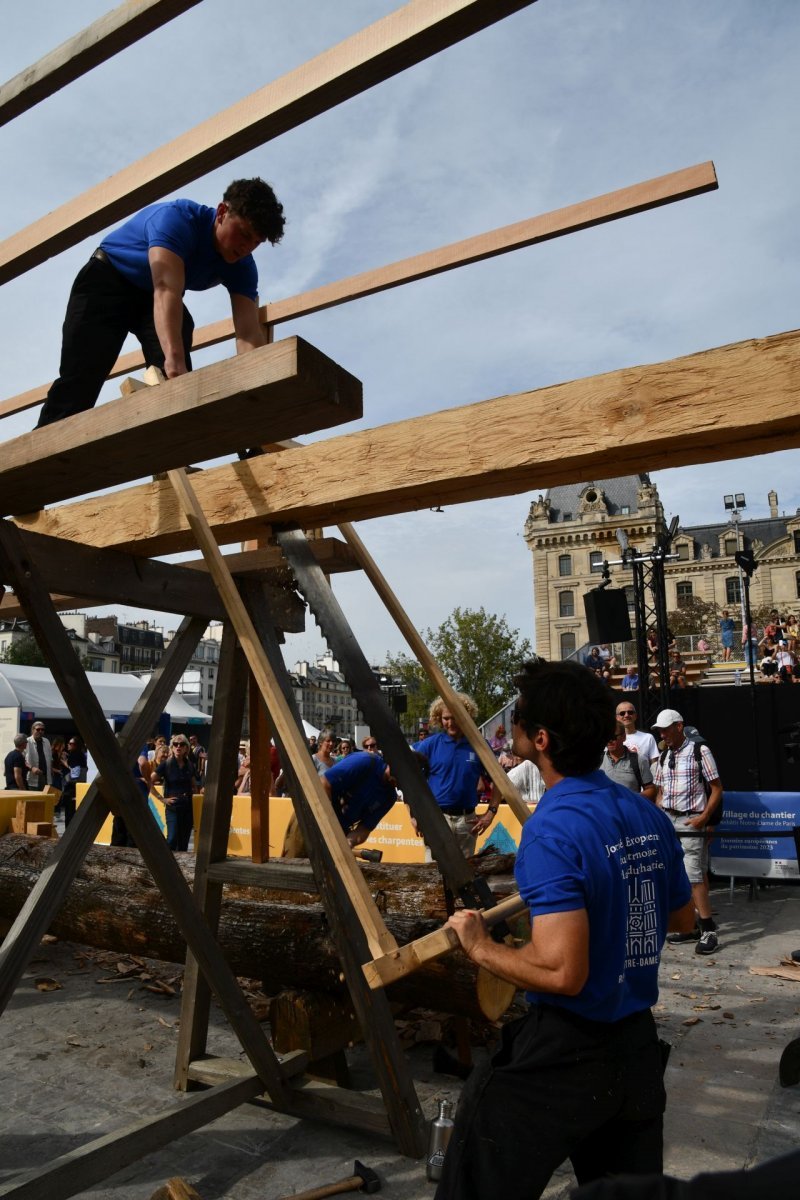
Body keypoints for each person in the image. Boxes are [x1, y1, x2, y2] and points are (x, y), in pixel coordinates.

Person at [435, 660, 694, 1200]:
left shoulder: (553, 827)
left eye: (520, 721)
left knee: (475, 1176)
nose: (513, 731)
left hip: (569, 1048)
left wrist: (480, 947)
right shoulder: (645, 815)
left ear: (542, 739)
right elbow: (681, 919)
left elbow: (562, 971)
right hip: (636, 1051)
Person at [37, 178, 285, 431]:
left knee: (178, 347)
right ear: (222, 212)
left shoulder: (243, 266)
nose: (246, 247)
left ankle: (174, 449)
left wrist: (260, 392)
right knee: (81, 379)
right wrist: (175, 363)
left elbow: (248, 334)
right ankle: (38, 459)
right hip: (107, 281)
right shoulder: (177, 220)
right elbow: (166, 289)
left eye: (256, 242)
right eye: (243, 234)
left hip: (148, 296)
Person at [652, 709, 723, 956]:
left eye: (666, 729)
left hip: (690, 820)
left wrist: (703, 818)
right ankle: (693, 925)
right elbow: (660, 791)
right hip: (670, 821)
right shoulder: (663, 756)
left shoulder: (699, 751)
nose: (662, 734)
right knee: (684, 874)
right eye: (660, 730)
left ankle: (708, 929)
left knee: (693, 874)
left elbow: (716, 788)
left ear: (679, 726)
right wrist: (661, 815)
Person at [411, 695, 497, 856]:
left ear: (466, 716)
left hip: (467, 821)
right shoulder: (429, 745)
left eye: (456, 717)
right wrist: (414, 815)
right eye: (446, 718)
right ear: (439, 718)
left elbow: (500, 782)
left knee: (466, 875)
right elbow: (410, 780)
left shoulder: (479, 746)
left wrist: (490, 813)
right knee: (434, 875)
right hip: (436, 818)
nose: (451, 723)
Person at [320, 749, 402, 847]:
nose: (400, 786)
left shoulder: (389, 797)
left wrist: (348, 843)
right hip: (318, 817)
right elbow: (324, 783)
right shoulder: (365, 761)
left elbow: (365, 828)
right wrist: (328, 824)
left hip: (339, 832)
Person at [150, 735, 203, 852]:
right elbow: (149, 781)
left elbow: (195, 784)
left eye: (182, 744)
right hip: (173, 807)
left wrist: (200, 791)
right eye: (175, 744)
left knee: (183, 842)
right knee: (172, 839)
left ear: (186, 748)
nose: (178, 746)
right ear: (172, 747)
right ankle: (164, 864)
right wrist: (162, 799)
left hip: (187, 807)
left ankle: (181, 868)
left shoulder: (189, 765)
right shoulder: (166, 764)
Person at [601, 724, 656, 801]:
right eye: (607, 737)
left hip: (629, 811)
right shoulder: (598, 761)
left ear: (624, 737)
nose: (610, 741)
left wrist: (632, 799)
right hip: (605, 811)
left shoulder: (638, 760)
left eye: (613, 737)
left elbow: (651, 790)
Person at [616, 701, 658, 765]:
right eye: (622, 713)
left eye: (630, 712)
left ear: (635, 716)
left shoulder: (648, 737)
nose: (626, 715)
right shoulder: (612, 739)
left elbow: (655, 766)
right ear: (617, 718)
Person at [61, 735, 88, 826]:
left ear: (76, 745)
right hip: (78, 788)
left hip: (72, 788)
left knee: (69, 813)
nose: (68, 745)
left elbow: (75, 774)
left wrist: (65, 763)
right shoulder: (81, 755)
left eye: (71, 743)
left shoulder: (74, 755)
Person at [25, 722, 52, 791]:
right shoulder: (27, 741)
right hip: (33, 778)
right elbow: (22, 759)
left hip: (45, 777)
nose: (40, 731)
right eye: (38, 729)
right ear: (32, 730)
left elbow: (50, 758)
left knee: (44, 800)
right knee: (33, 800)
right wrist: (31, 768)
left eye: (42, 730)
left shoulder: (47, 741)